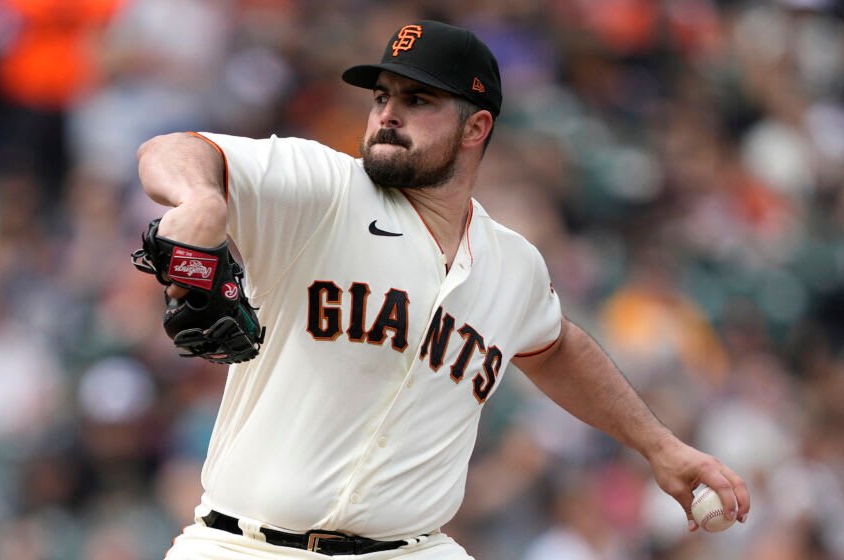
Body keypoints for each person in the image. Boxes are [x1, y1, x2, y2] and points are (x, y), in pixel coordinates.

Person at [137, 19, 750, 560]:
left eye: (418, 98)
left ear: (475, 125)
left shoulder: (513, 265)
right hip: (245, 545)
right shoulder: (325, 190)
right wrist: (202, 199)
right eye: (381, 96)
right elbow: (173, 150)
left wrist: (660, 447)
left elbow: (556, 347)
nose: (387, 113)